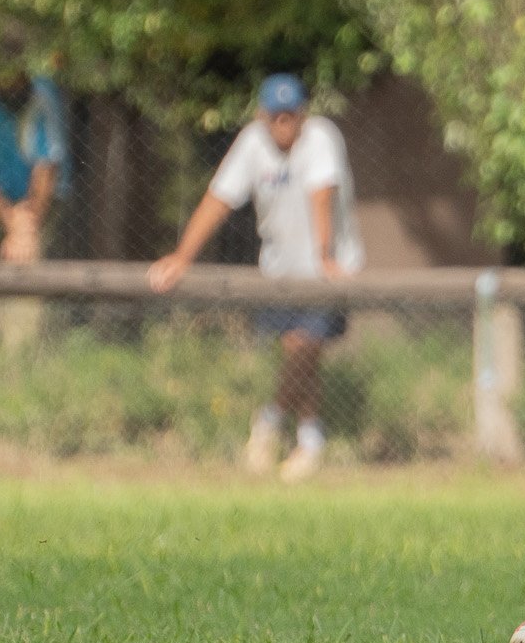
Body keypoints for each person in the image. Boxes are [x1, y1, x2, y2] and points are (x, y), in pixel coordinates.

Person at [148, 74, 365, 483]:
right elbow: (219, 199)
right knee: (298, 351)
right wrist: (182, 257)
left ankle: (270, 423)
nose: (283, 124)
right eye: (275, 116)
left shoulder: (321, 137)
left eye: (290, 115)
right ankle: (309, 438)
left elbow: (322, 193)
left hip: (328, 271)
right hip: (278, 270)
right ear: (262, 116)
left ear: (303, 114)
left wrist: (324, 257)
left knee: (304, 346)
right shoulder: (252, 142)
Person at [0, 53, 68, 349]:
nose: (9, 84)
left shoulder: (42, 95)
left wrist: (25, 228)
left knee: (26, 265)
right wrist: (9, 218)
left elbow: (47, 167)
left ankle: (20, 350)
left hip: (41, 201)